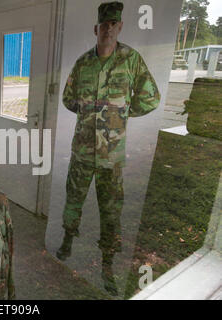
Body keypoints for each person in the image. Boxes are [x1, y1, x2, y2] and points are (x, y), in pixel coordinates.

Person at [57, 1, 161, 294]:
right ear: (96, 28)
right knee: (73, 199)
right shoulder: (83, 63)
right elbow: (68, 98)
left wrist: (121, 114)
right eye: (104, 25)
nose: (108, 29)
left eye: (113, 24)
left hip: (111, 156)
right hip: (82, 151)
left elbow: (151, 98)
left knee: (111, 210)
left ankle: (107, 263)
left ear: (120, 26)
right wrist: (88, 110)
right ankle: (67, 238)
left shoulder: (131, 60)